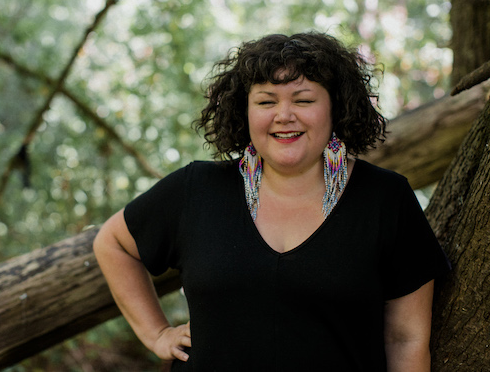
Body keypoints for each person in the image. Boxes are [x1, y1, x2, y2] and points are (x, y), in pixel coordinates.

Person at [93, 32, 450, 371]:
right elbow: (113, 244)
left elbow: (406, 339)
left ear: (335, 108)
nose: (284, 115)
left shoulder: (385, 199)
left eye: (304, 100)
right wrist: (156, 333)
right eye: (266, 101)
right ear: (244, 111)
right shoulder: (196, 190)